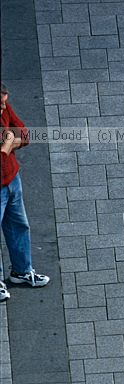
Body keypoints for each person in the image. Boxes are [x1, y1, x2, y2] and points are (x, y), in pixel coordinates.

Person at [0, 82, 51, 302]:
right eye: (0, 105)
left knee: (19, 225)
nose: (4, 108)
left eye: (4, 102)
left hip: (12, 179)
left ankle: (21, 271)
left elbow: (24, 134)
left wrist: (10, 141)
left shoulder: (4, 107)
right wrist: (8, 145)